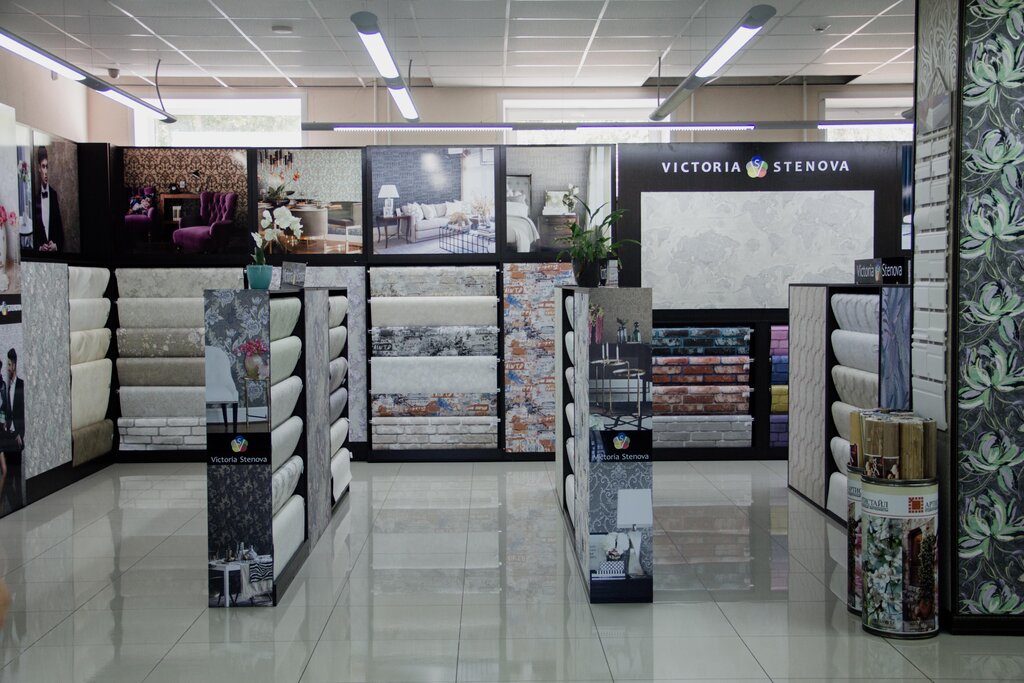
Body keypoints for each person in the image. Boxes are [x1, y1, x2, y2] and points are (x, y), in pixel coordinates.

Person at [32, 146, 63, 252]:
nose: (45, 171)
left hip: (55, 257)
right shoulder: (35, 199)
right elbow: (35, 234)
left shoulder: (53, 195)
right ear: (39, 168)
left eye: (47, 167)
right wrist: (40, 248)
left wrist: (56, 246)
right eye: (43, 166)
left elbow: (60, 233)